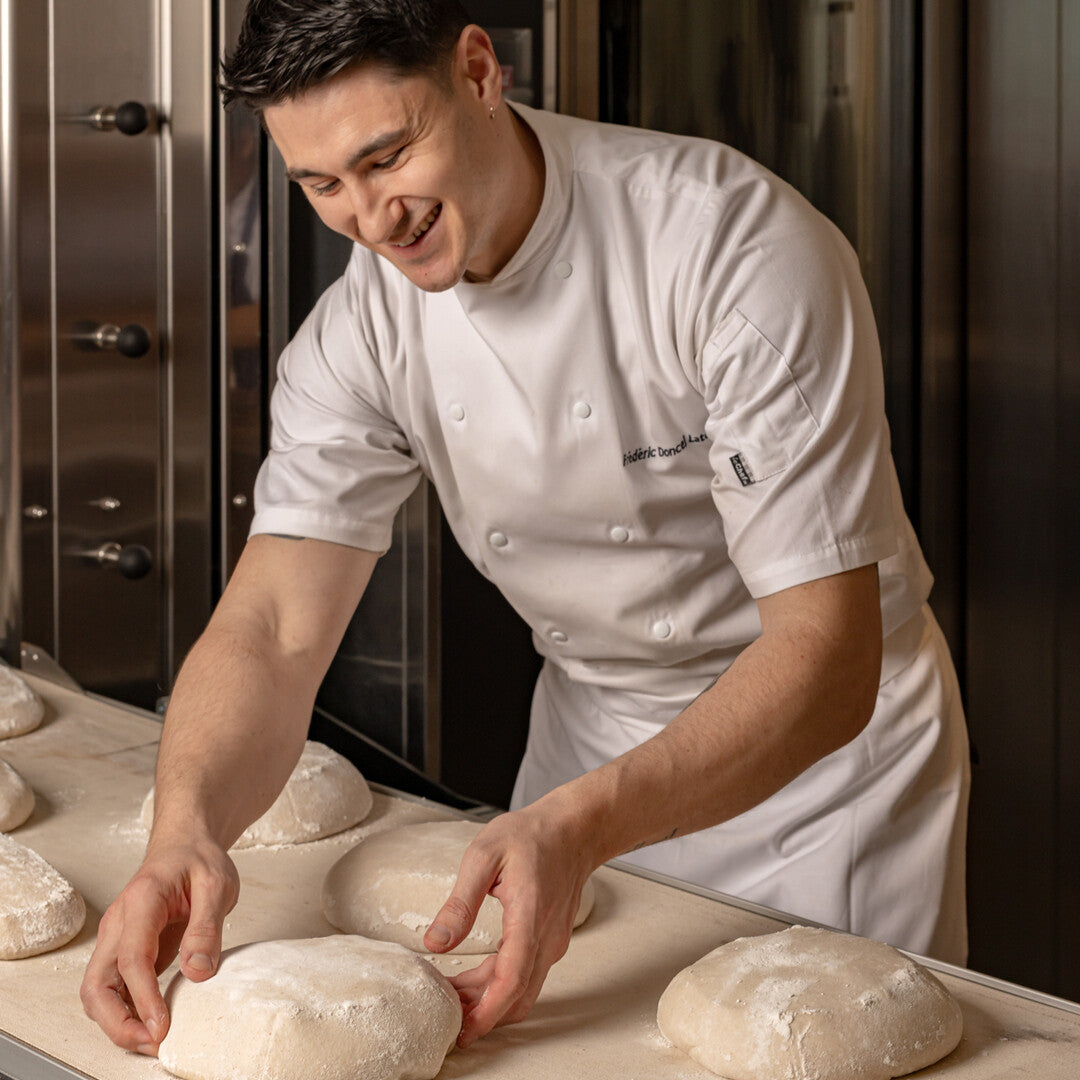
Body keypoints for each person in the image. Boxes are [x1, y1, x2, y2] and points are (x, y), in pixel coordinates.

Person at [80, 0, 970, 1058]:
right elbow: (275, 625)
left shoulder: (729, 247)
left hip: (820, 780)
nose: (370, 218)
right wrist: (184, 833)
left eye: (387, 155)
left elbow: (828, 656)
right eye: (322, 184)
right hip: (587, 747)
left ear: (477, 70)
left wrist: (588, 823)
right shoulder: (362, 326)